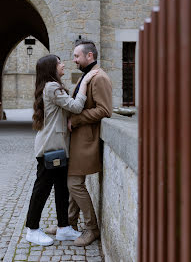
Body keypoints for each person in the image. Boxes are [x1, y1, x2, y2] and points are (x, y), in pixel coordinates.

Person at [25, 54, 97, 246]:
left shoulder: (49, 87)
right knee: (42, 189)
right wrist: (85, 81)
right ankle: (32, 230)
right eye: (59, 63)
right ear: (51, 68)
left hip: (58, 147)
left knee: (62, 189)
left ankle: (64, 228)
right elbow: (75, 106)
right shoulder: (52, 87)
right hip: (50, 148)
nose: (63, 64)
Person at [67, 39, 113, 246]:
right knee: (73, 183)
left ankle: (91, 228)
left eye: (77, 56)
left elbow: (105, 110)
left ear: (89, 56)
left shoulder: (99, 77)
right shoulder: (87, 75)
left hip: (86, 141)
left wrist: (76, 119)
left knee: (74, 183)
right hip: (78, 140)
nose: (74, 60)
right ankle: (69, 223)